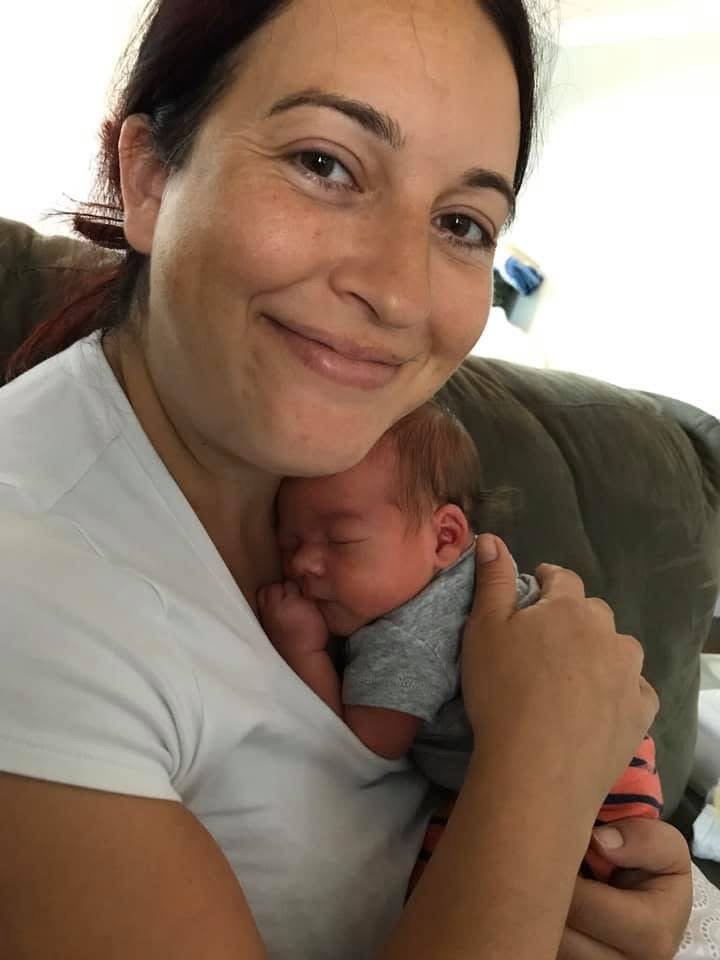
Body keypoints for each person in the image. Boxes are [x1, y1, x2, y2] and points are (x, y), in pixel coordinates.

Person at [0, 0, 694, 958]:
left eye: (461, 221)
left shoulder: (352, 489)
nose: (399, 292)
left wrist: (575, 893)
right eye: (325, 164)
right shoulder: (28, 585)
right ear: (151, 177)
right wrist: (542, 777)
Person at [260, 401, 663, 885]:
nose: (303, 564)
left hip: (577, 784)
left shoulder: (405, 638)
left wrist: (303, 649)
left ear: (444, 537)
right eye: (289, 545)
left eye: (340, 540)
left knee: (436, 883)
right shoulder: (469, 575)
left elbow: (362, 748)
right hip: (620, 747)